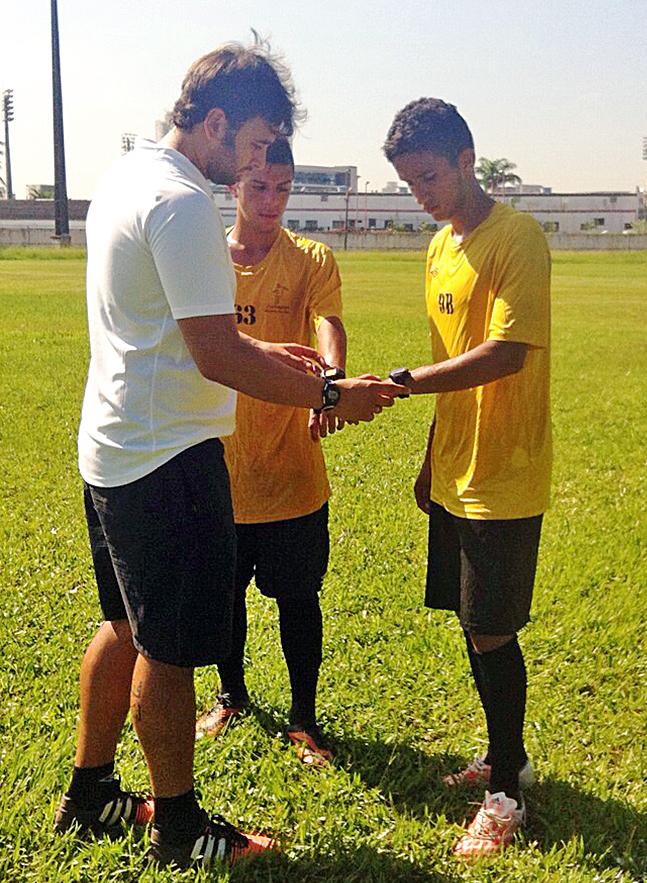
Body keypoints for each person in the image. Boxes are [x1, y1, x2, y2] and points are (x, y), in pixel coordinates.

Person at [54, 40, 404, 870]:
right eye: (252, 145)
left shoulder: (126, 179)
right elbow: (212, 355)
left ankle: (91, 792)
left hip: (111, 446)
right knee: (169, 654)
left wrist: (271, 351)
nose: (258, 162)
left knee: (121, 626)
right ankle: (180, 829)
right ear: (215, 123)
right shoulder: (180, 204)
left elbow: (177, 324)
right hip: (167, 460)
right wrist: (330, 394)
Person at [383, 98, 552, 857]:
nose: (420, 193)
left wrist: (403, 381)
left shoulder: (516, 237)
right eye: (407, 183)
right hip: (454, 466)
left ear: (464, 159)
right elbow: (448, 351)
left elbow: (506, 351)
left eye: (427, 177)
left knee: (491, 628)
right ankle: (500, 752)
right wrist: (428, 454)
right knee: (470, 621)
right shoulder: (436, 247)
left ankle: (506, 795)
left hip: (504, 469)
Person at [195, 139, 345, 765]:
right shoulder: (205, 257)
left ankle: (304, 719)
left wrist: (329, 386)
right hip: (217, 465)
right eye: (259, 187)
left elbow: (328, 325)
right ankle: (230, 695)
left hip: (291, 471)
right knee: (223, 599)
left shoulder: (310, 257)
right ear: (235, 187)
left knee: (297, 599)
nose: (271, 202)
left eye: (282, 189)